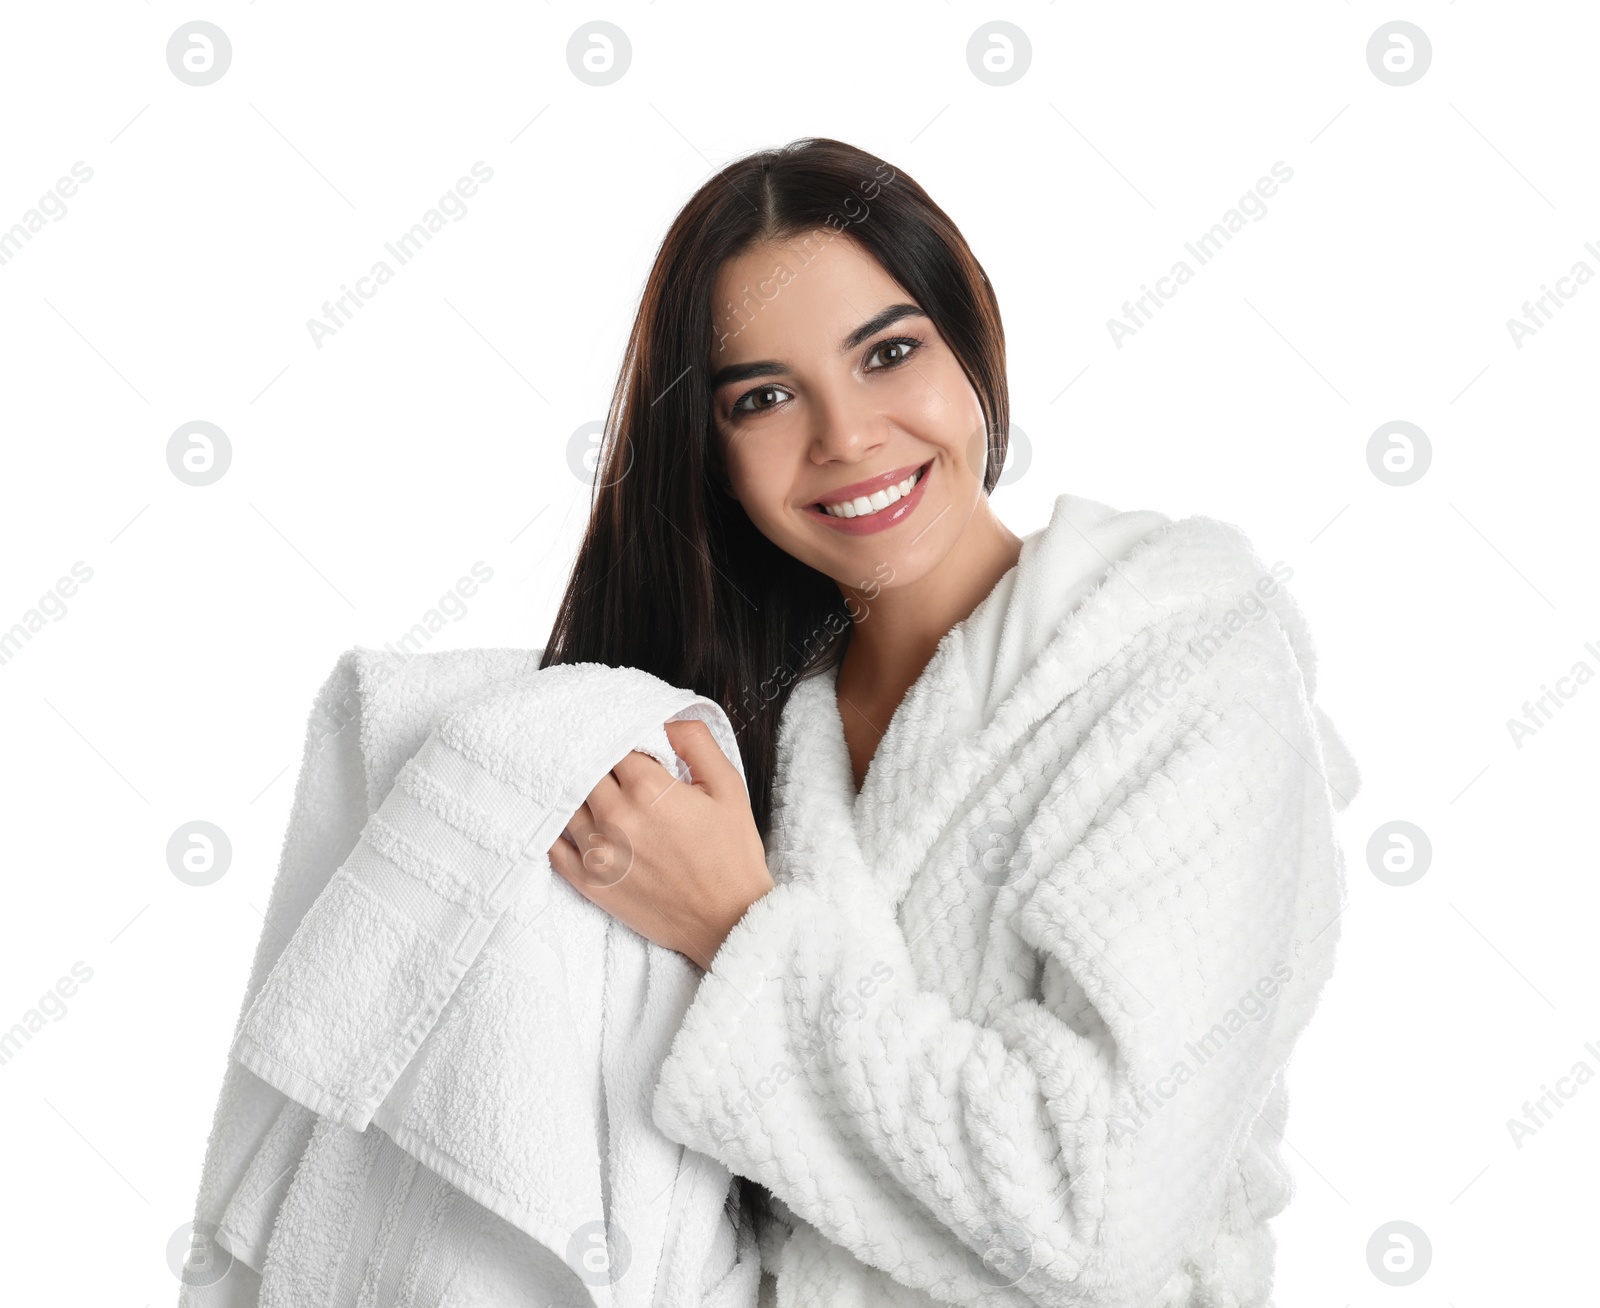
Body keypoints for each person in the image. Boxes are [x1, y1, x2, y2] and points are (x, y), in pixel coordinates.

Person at [540, 136, 1356, 1308]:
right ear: (712, 454)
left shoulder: (1180, 662)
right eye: (763, 397)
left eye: (887, 353)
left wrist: (738, 927)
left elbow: (1098, 1213)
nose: (846, 436)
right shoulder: (733, 733)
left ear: (972, 341)